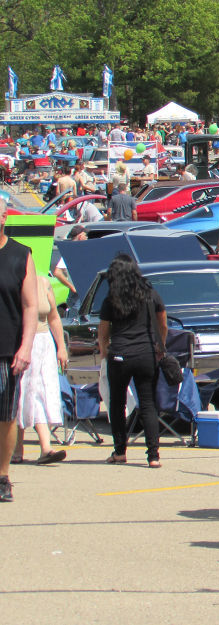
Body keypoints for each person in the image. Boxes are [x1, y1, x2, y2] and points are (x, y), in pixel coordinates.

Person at [97, 254, 167, 468]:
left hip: (119, 355)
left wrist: (105, 351)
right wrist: (160, 346)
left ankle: (120, 451)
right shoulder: (150, 294)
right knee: (148, 404)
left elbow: (103, 332)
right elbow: (162, 323)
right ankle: (153, 455)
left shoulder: (111, 299)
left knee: (117, 404)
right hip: (146, 352)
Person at [0, 198, 39, 500]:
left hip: (7, 350)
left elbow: (30, 305)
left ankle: (3, 476)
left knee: (6, 416)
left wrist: (25, 347)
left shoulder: (20, 254)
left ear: (5, 218)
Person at [12, 275, 68, 465]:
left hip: (44, 344)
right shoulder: (13, 281)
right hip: (21, 343)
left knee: (40, 392)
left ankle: (32, 448)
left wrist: (61, 346)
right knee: (24, 393)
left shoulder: (43, 283)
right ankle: (36, 447)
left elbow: (53, 317)